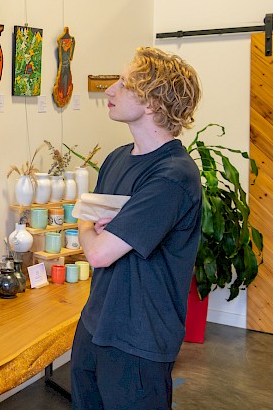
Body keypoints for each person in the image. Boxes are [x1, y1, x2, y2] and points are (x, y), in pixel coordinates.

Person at [71, 46, 203, 410]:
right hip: (95, 325)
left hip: (139, 340)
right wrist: (92, 225)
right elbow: (96, 232)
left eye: (125, 85)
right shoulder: (116, 158)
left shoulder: (174, 176)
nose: (110, 90)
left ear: (153, 103)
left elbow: (98, 252)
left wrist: (85, 223)